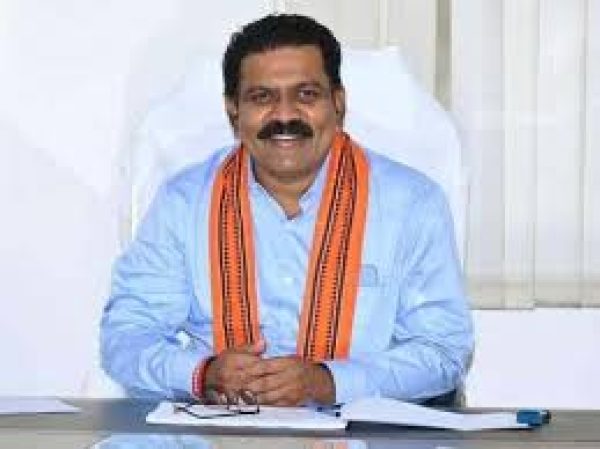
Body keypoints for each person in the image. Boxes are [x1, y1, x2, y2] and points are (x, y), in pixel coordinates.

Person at [101, 13, 473, 407]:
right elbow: (126, 337)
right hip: (216, 428)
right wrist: (202, 373)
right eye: (262, 97)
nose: (284, 115)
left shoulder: (412, 204)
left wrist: (328, 382)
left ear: (338, 103)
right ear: (233, 112)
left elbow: (443, 351)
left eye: (306, 95)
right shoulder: (183, 202)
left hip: (364, 428)